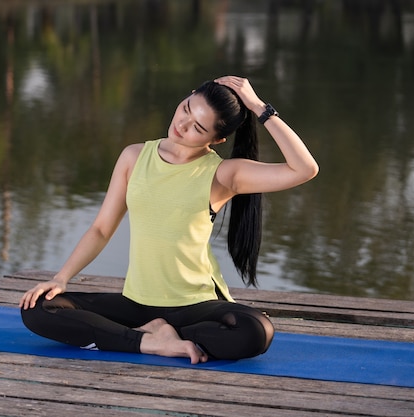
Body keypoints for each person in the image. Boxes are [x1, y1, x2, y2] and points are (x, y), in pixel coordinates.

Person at [19, 76, 318, 364]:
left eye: (198, 127)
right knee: (38, 308)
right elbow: (100, 229)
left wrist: (259, 108)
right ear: (186, 96)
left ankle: (142, 337)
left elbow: (304, 169)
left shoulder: (223, 175)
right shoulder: (134, 157)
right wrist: (60, 278)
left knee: (255, 332)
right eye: (186, 108)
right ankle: (150, 339)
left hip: (196, 306)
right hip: (136, 303)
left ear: (217, 139)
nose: (182, 125)